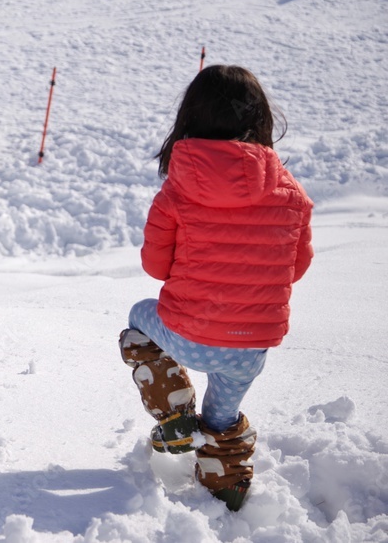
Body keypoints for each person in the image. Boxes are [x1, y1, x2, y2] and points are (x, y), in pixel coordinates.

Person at [118, 65, 313, 512]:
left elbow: (155, 266)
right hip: (250, 351)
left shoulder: (177, 191)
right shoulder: (292, 194)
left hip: (188, 336)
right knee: (224, 417)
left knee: (138, 318)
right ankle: (225, 485)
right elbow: (295, 268)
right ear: (261, 119)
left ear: (190, 119)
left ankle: (176, 415)